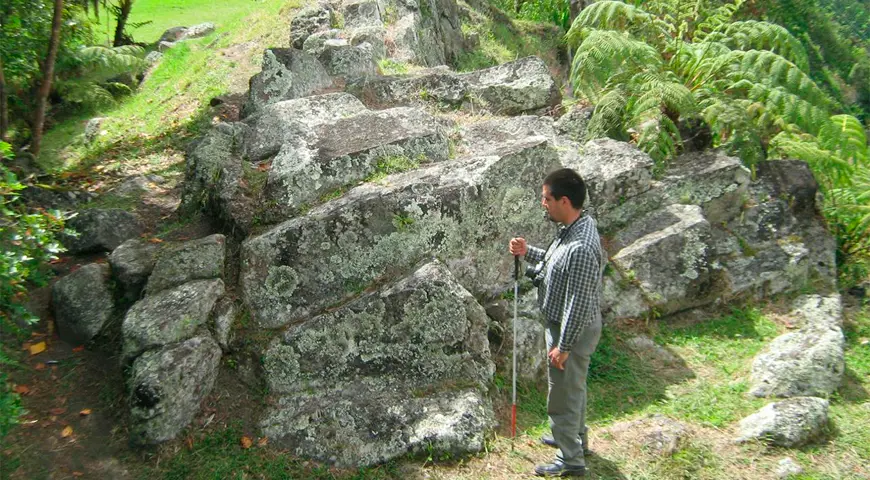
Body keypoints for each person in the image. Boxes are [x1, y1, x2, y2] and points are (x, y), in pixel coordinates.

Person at [509, 168, 605, 477]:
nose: (543, 204)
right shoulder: (577, 226)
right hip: (569, 326)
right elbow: (555, 263)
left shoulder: (580, 247)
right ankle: (575, 439)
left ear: (564, 201)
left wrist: (564, 346)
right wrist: (528, 252)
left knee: (562, 395)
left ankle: (570, 460)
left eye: (546, 198)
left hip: (571, 331)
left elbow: (579, 302)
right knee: (573, 388)